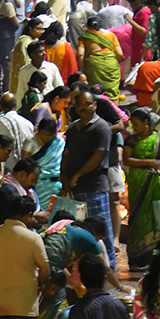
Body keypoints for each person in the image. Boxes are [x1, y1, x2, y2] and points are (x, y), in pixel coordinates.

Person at [60, 88, 116, 264]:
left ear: (95, 105)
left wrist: (77, 175)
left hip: (94, 187)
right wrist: (64, 176)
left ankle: (109, 267)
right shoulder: (73, 128)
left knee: (101, 231)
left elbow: (99, 155)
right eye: (79, 104)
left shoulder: (101, 127)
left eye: (87, 104)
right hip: (75, 189)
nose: (82, 107)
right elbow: (66, 153)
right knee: (81, 231)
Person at [122, 107, 160, 264]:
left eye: (136, 124)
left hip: (154, 184)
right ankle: (137, 258)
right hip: (137, 183)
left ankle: (154, 257)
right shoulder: (131, 140)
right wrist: (149, 162)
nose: (133, 127)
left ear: (146, 122)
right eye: (132, 124)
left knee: (154, 217)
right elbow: (127, 160)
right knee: (137, 217)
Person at [77, 16, 124, 97]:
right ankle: (112, 103)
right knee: (112, 91)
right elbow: (120, 54)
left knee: (94, 89)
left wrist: (81, 70)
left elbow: (80, 54)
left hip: (94, 65)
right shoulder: (111, 35)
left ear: (88, 26)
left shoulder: (85, 36)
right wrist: (113, 62)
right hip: (111, 64)